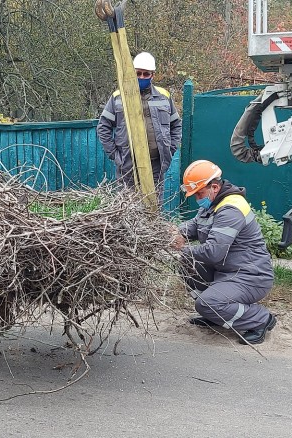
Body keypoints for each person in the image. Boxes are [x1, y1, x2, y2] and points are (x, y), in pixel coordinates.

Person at [171, 160, 276, 345]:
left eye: (199, 194)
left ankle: (260, 319)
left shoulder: (231, 209)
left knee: (206, 302)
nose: (197, 199)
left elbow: (213, 253)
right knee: (187, 260)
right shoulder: (212, 204)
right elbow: (194, 226)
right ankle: (216, 315)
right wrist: (175, 233)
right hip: (228, 272)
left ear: (214, 186)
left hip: (250, 276)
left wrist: (182, 248)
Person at [96, 51, 182, 195]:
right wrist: (116, 155)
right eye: (138, 73)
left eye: (146, 74)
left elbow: (176, 125)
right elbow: (103, 126)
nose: (141, 77)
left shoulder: (164, 96)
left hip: (155, 165)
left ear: (152, 75)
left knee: (153, 207)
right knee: (128, 208)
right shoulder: (119, 97)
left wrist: (169, 150)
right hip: (128, 166)